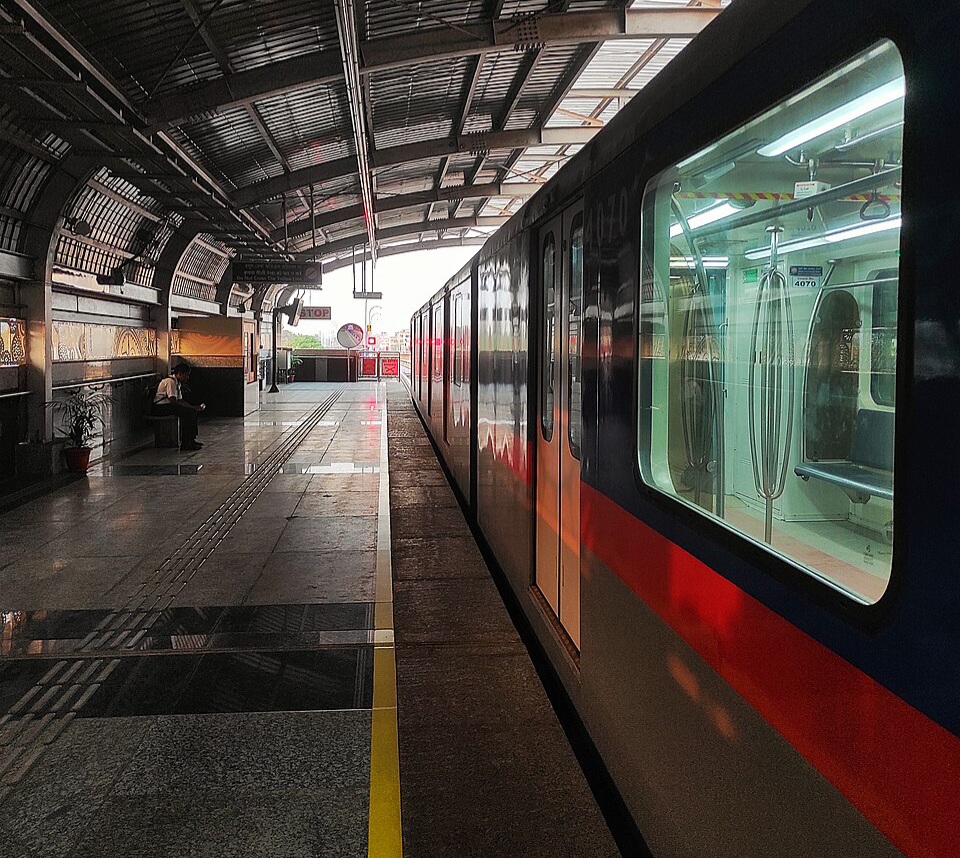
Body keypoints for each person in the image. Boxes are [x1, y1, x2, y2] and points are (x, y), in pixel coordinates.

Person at [153, 362, 206, 451]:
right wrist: (188, 408)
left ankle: (191, 439)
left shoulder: (178, 383)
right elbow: (172, 400)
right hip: (160, 407)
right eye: (186, 375)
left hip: (168, 405)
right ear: (179, 374)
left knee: (191, 412)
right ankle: (186, 442)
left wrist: (193, 407)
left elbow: (180, 400)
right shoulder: (170, 382)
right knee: (187, 413)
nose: (187, 378)